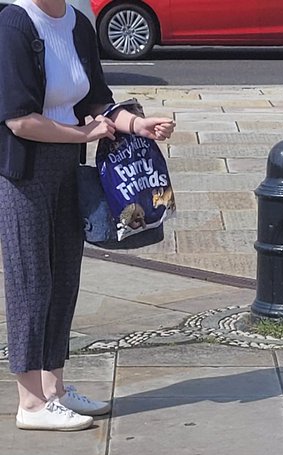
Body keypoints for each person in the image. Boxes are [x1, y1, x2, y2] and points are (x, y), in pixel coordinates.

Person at [0, 0, 175, 431]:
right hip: (22, 172)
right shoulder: (15, 23)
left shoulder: (77, 23)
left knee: (64, 277)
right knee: (30, 281)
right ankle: (30, 401)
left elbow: (99, 100)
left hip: (67, 168)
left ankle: (55, 388)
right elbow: (19, 120)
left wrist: (138, 125)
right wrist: (82, 133)